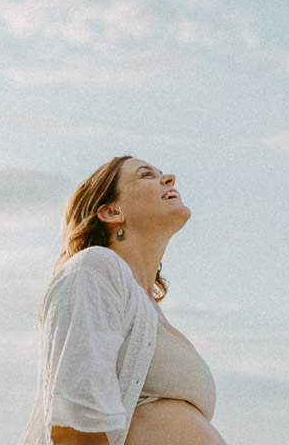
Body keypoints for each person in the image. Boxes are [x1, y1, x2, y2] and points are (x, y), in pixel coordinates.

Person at [20, 156, 228, 445]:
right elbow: (73, 426)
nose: (168, 179)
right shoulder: (93, 268)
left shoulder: (150, 311)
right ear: (111, 212)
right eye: (147, 175)